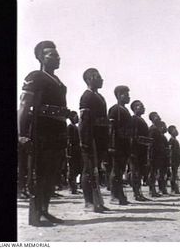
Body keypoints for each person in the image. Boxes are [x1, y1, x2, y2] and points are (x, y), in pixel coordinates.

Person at [18, 40, 76, 226]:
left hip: (58, 131)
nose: (58, 58)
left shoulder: (59, 82)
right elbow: (25, 106)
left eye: (58, 54)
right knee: (41, 173)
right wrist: (21, 134)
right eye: (52, 55)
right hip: (42, 131)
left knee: (52, 174)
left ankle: (45, 210)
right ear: (41, 57)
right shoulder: (36, 76)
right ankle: (36, 214)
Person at [79, 68, 110, 213]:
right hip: (90, 137)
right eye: (98, 77)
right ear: (90, 78)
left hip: (100, 137)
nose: (102, 79)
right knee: (88, 170)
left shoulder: (100, 97)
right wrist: (85, 141)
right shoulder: (86, 97)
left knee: (96, 170)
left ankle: (98, 201)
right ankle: (89, 202)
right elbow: (84, 122)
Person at [108, 85, 132, 205]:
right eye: (126, 94)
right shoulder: (115, 109)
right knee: (116, 170)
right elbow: (111, 129)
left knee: (121, 170)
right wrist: (111, 145)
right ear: (118, 95)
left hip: (125, 144)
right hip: (117, 144)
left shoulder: (125, 110)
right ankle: (113, 196)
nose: (128, 96)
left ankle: (120, 194)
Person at [129, 100, 152, 201]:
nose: (143, 108)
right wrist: (146, 140)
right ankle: (136, 194)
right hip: (136, 150)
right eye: (140, 106)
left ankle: (139, 193)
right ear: (134, 108)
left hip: (142, 149)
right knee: (135, 172)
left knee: (140, 172)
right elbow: (134, 136)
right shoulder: (134, 119)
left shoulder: (141, 120)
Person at [67, 111, 82, 194]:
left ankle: (74, 187)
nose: (78, 118)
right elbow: (69, 141)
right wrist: (68, 153)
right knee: (72, 170)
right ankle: (72, 188)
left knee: (76, 169)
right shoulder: (70, 127)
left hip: (77, 151)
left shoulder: (76, 127)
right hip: (72, 151)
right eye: (76, 116)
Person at [147, 112, 163, 197]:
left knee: (155, 172)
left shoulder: (157, 129)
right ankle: (151, 190)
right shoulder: (152, 129)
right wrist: (149, 155)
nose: (159, 117)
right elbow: (150, 143)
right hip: (153, 153)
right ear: (152, 118)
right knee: (152, 172)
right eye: (156, 116)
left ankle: (153, 190)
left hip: (157, 154)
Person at [168, 125, 180, 194]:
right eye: (174, 130)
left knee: (175, 174)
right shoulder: (171, 140)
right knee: (173, 174)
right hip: (173, 160)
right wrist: (170, 161)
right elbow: (170, 151)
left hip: (176, 160)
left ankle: (175, 188)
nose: (176, 131)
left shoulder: (175, 140)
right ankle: (173, 189)